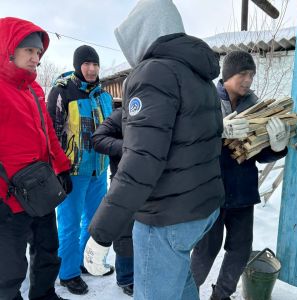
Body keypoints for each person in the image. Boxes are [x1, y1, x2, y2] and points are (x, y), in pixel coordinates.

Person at [82, 0, 225, 299]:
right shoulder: (200, 77)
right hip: (201, 207)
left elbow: (141, 161)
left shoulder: (154, 73)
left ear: (143, 33)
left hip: (166, 216)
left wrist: (101, 232)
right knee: (182, 284)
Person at [190, 50, 290, 300]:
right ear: (227, 76)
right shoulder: (206, 100)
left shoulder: (257, 107)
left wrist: (277, 147)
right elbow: (189, 142)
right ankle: (185, 293)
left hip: (242, 192)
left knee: (240, 250)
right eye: (242, 74)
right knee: (206, 250)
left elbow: (260, 154)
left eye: (251, 75)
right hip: (210, 191)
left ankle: (221, 295)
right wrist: (218, 131)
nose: (248, 80)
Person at [0, 17, 72, 300]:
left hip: (40, 188)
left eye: (38, 52)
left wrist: (62, 169)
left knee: (47, 249)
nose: (36, 57)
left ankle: (44, 295)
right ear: (8, 49)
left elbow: (49, 135)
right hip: (8, 197)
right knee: (8, 267)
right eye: (29, 50)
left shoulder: (34, 89)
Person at [46, 45, 113, 295]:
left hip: (99, 170)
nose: (92, 68)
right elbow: (50, 133)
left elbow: (114, 131)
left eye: (95, 64)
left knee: (95, 222)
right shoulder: (63, 92)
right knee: (70, 224)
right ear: (77, 66)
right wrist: (58, 170)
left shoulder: (104, 96)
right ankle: (68, 273)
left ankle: (85, 262)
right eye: (86, 64)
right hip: (72, 172)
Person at [92, 103, 134, 297]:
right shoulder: (120, 114)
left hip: (151, 183)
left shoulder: (157, 112)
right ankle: (126, 277)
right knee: (124, 231)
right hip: (123, 181)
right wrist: (125, 147)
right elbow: (98, 139)